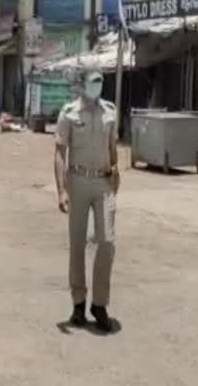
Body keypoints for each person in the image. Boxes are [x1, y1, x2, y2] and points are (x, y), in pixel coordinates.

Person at [54, 68, 120, 333]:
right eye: (93, 82)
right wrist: (61, 190)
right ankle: (79, 303)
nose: (97, 86)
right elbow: (59, 153)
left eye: (100, 82)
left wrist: (116, 171)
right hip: (78, 181)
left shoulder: (110, 111)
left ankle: (100, 304)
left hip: (103, 183)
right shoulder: (69, 112)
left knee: (107, 241)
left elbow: (112, 148)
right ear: (82, 85)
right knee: (78, 243)